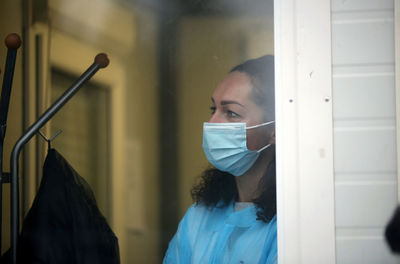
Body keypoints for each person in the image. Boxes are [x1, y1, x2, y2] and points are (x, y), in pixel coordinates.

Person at [163, 55, 277, 264]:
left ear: (274, 130)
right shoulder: (198, 218)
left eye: (231, 113)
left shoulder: (290, 226)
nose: (211, 123)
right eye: (213, 109)